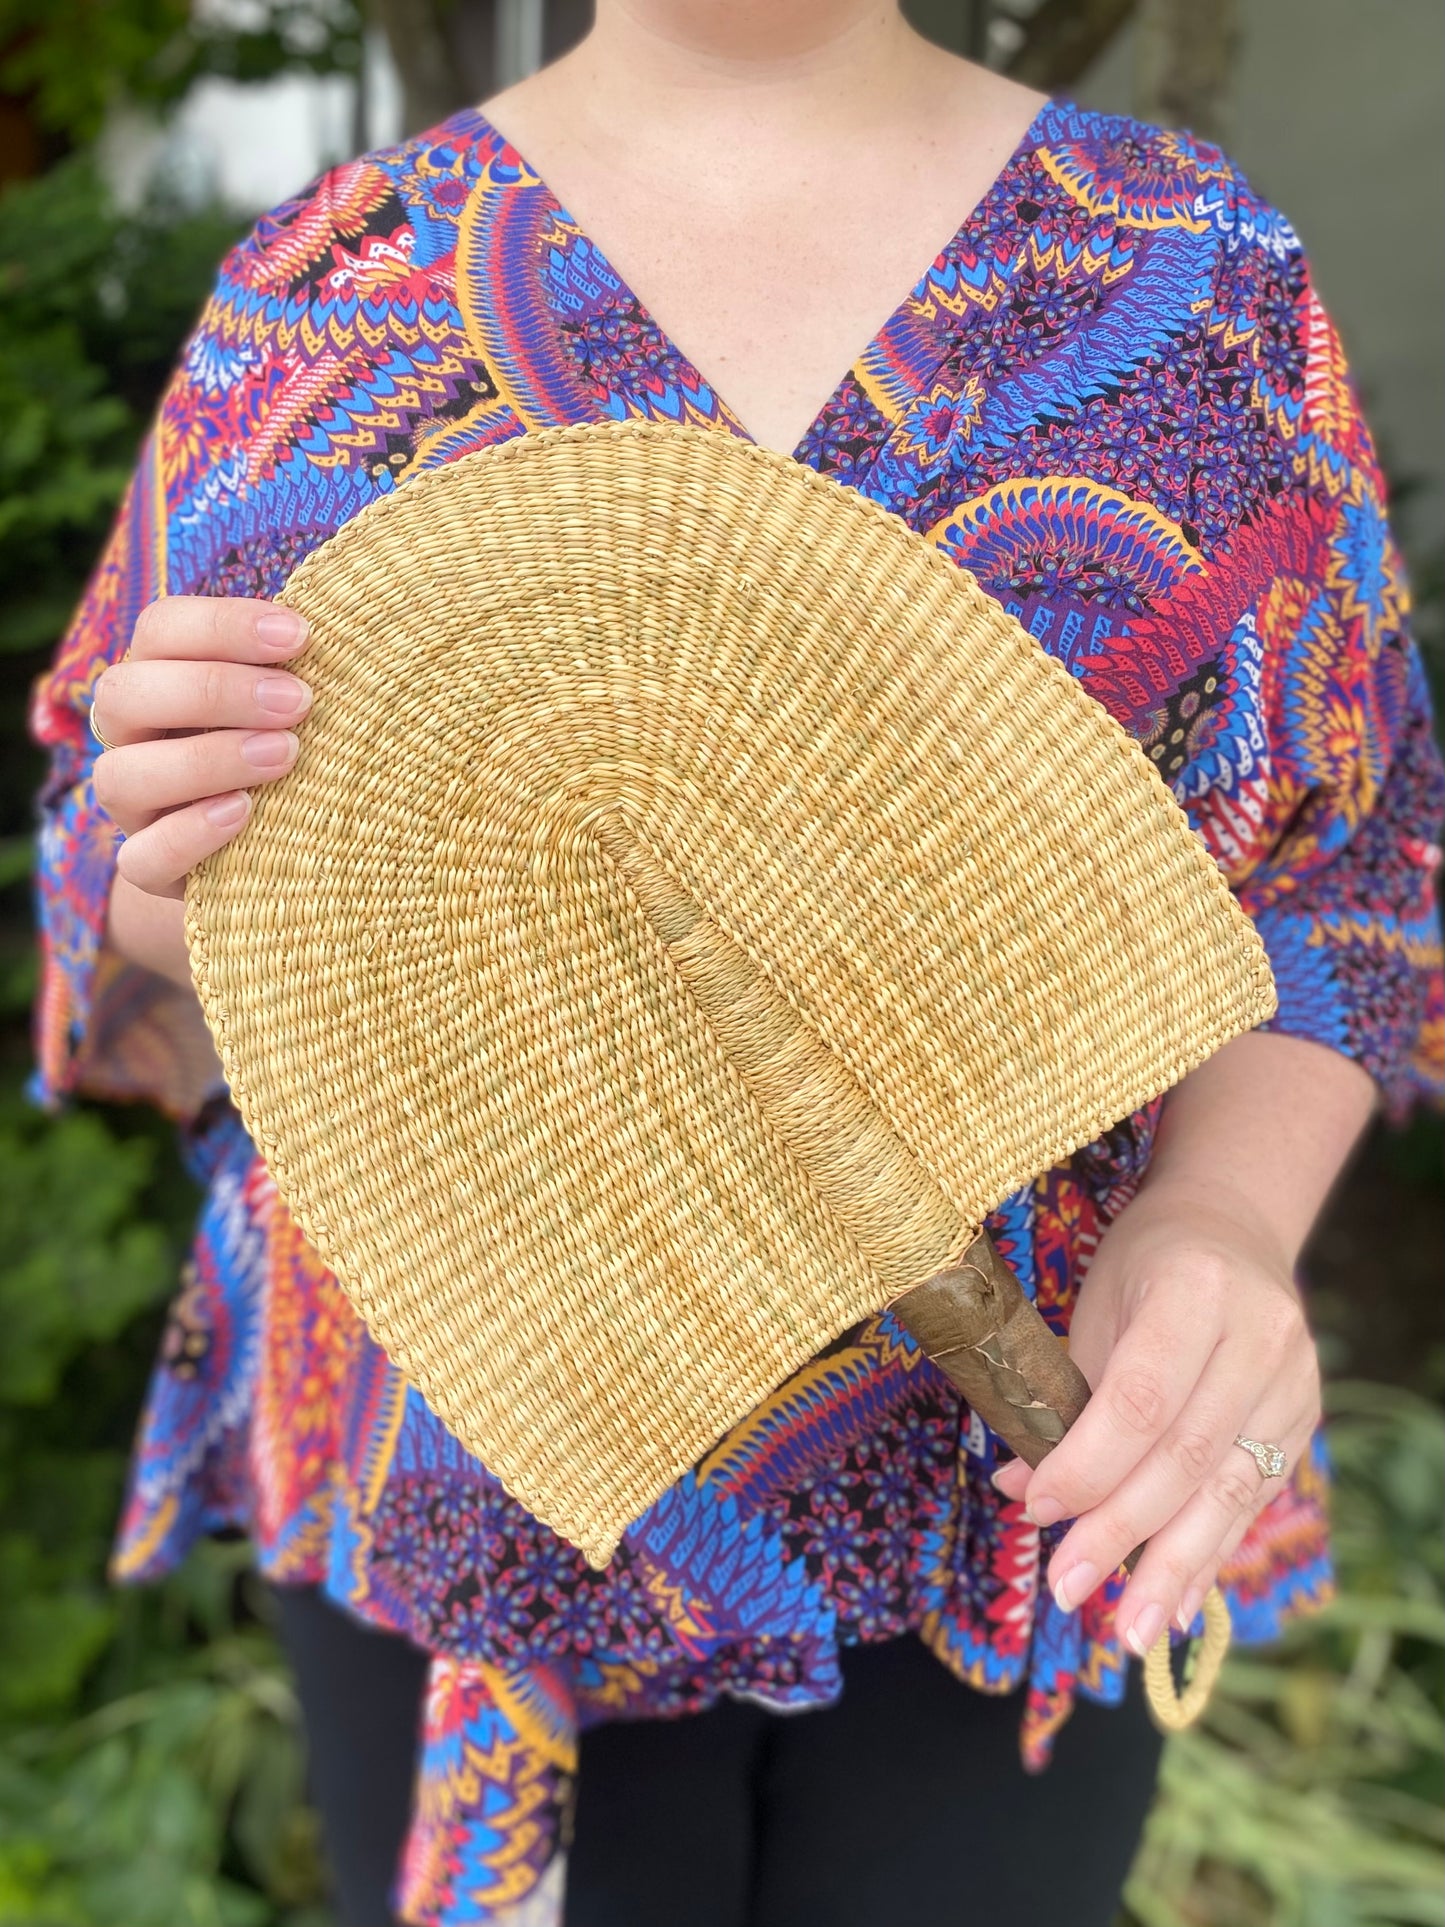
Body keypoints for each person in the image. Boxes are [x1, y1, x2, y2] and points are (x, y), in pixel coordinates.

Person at [30, 3, 1444, 1924]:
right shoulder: (330, 289)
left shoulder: (1187, 270)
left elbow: (1347, 862)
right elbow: (116, 890)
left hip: (1028, 1465)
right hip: (473, 1487)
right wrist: (157, 862)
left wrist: (1224, 1219)